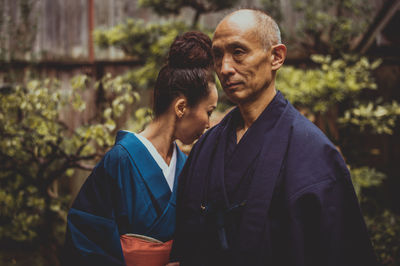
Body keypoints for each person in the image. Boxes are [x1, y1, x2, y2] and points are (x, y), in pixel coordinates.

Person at [169, 9, 377, 266]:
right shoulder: (207, 147)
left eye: (238, 52)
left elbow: (342, 251)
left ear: (276, 57)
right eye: (218, 55)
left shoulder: (313, 152)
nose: (224, 68)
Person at [64, 31, 218, 266]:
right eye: (208, 112)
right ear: (181, 107)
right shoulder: (119, 161)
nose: (209, 123)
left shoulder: (186, 167)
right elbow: (84, 245)